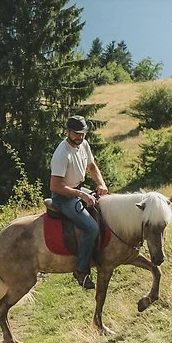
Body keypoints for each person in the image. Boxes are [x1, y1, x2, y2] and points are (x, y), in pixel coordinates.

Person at [48, 115, 109, 288]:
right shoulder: (62, 154)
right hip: (63, 197)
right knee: (91, 228)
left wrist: (101, 183)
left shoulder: (84, 144)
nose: (80, 137)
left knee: (106, 210)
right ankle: (81, 270)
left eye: (83, 133)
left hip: (78, 190)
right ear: (67, 132)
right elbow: (55, 185)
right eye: (76, 134)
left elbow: (91, 166)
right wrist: (81, 195)